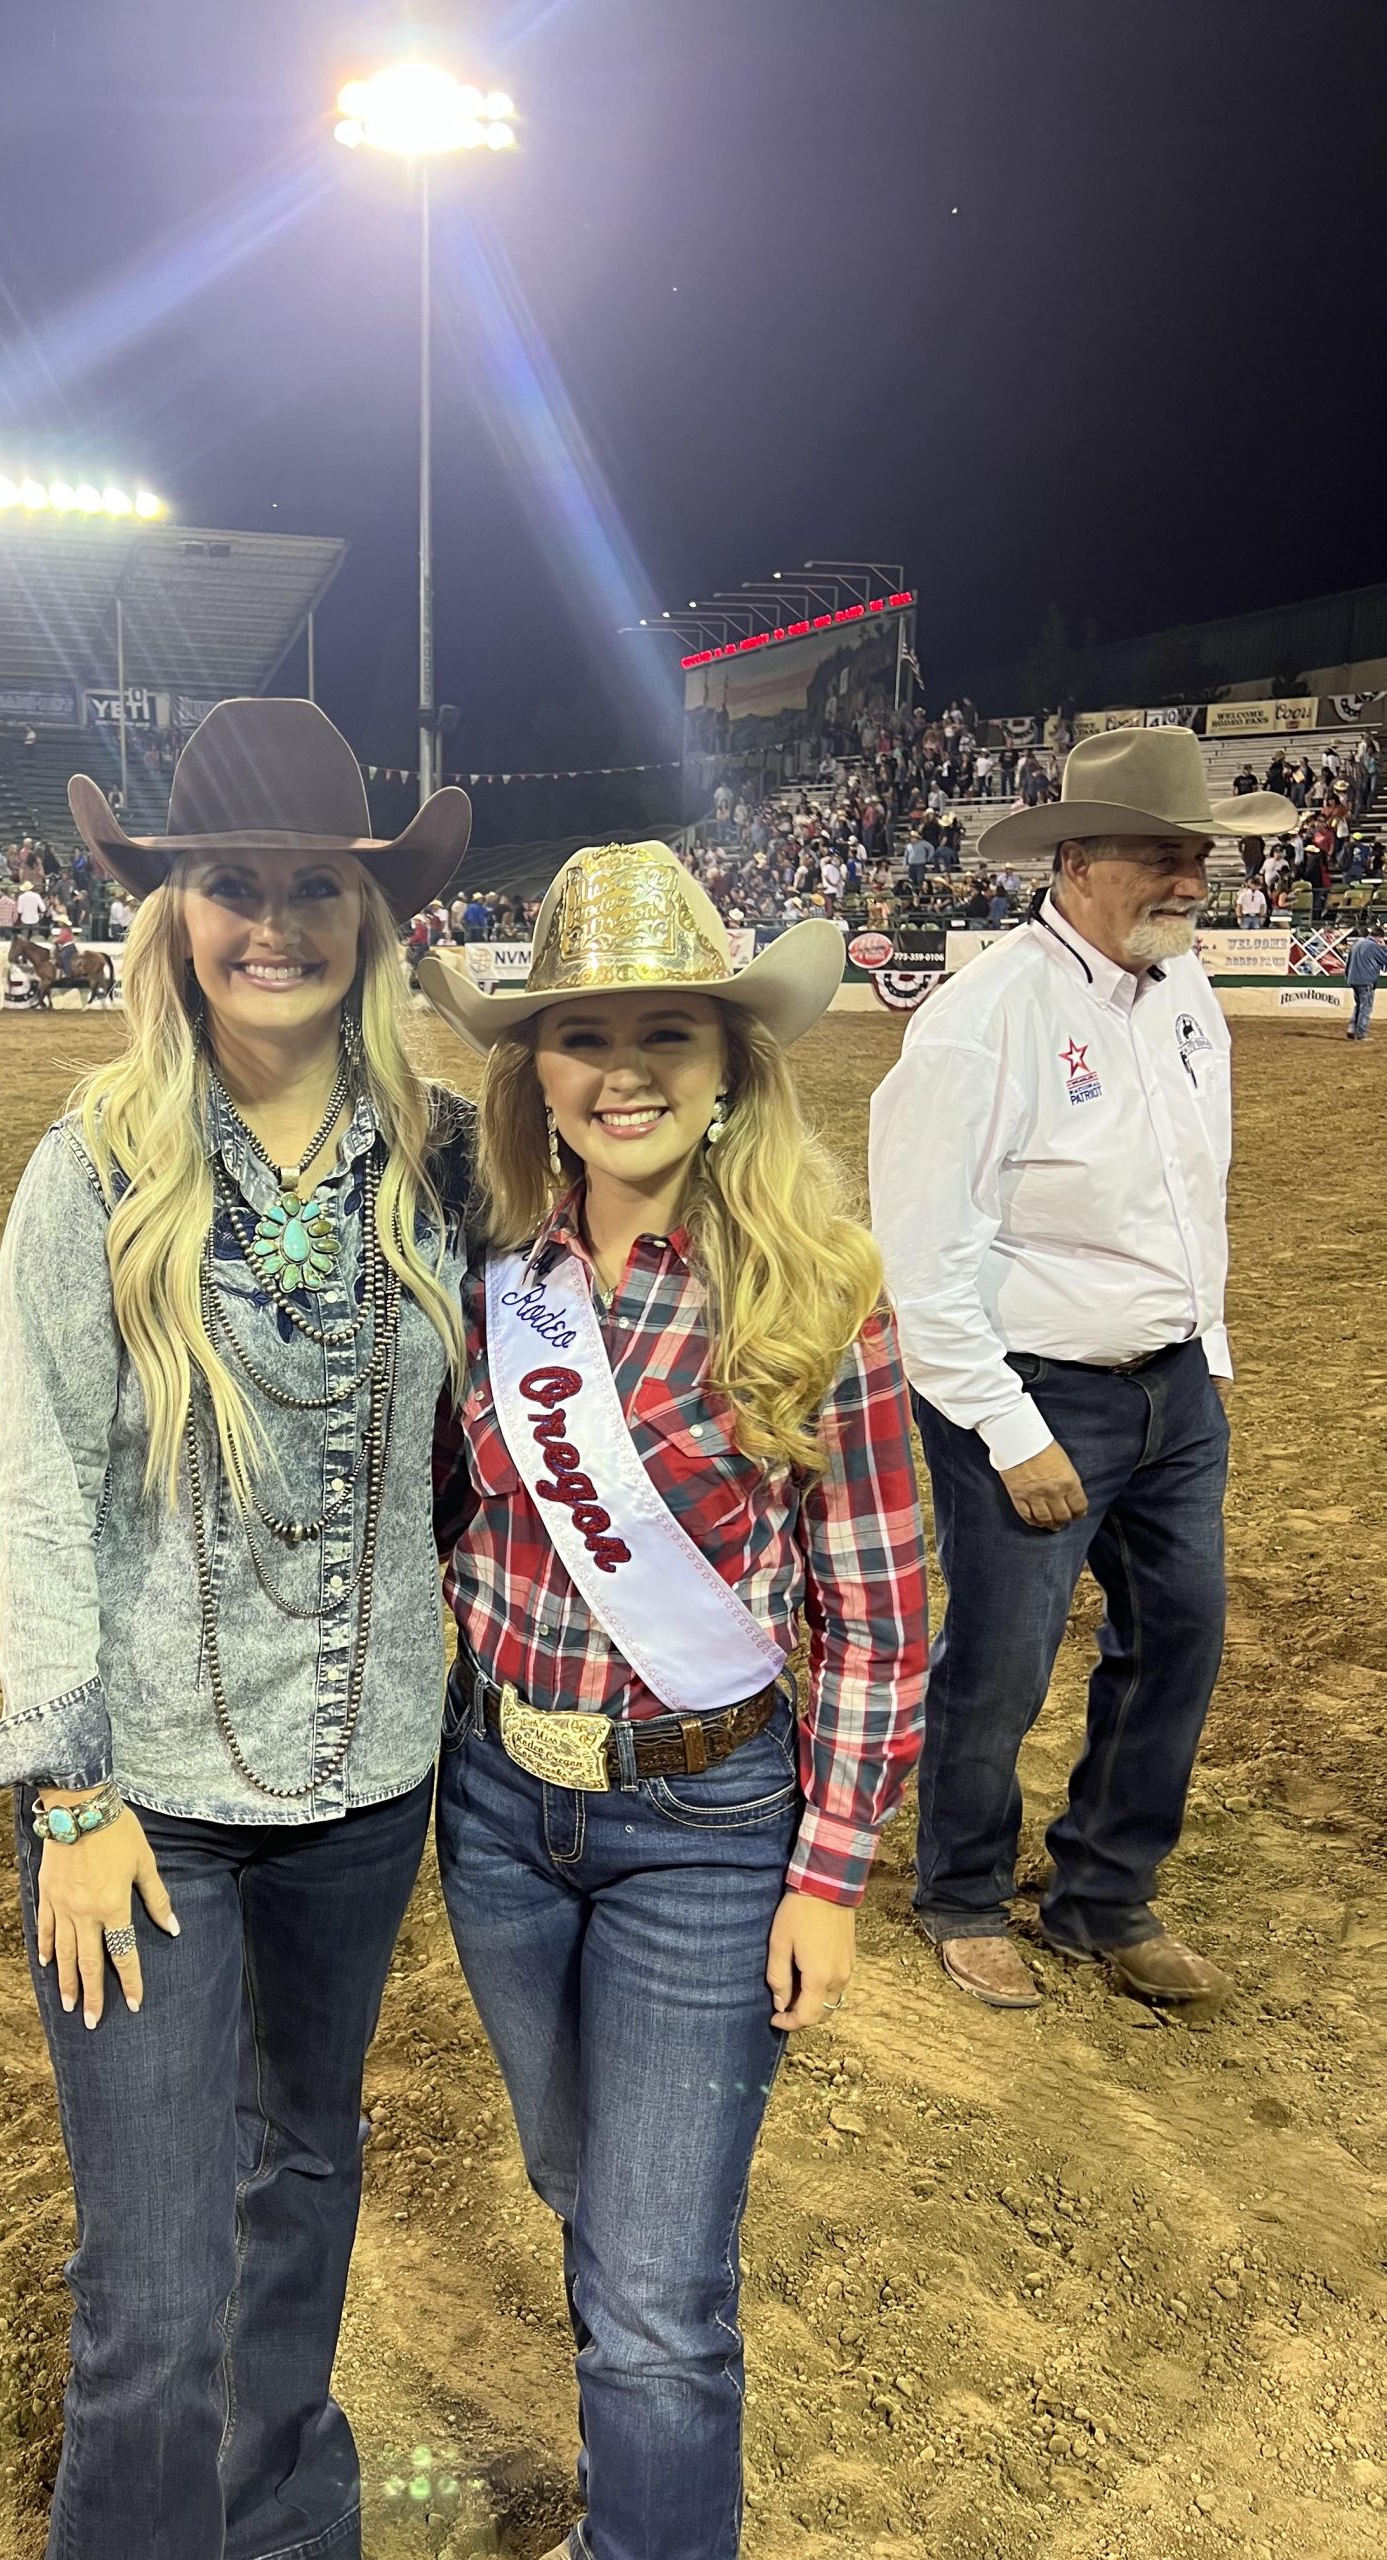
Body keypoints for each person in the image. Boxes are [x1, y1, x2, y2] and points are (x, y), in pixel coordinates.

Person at [0, 699, 474, 2560]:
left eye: (316, 885)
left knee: (308, 2176)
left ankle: (281, 2524)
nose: (275, 922)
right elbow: (42, 1491)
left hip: (367, 1784)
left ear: (369, 914)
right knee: (155, 2288)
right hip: (147, 1806)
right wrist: (71, 1802)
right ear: (170, 915)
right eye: (231, 885)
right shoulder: (94, 1168)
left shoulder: (448, 1161)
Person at [416, 843, 927, 2560]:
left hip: (707, 1827)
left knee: (653, 2283)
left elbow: (880, 1610)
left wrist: (829, 1874)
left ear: (727, 1067)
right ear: (535, 1072)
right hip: (497, 1807)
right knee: (586, 2193)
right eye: (582, 1035)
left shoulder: (818, 1284)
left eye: (667, 1035)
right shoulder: (496, 1268)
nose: (621, 1071)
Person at [869, 728, 1297, 2012]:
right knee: (1002, 1660)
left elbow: (1194, 1186)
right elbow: (923, 1261)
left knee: (1180, 1636)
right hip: (1033, 1387)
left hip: (1172, 1387)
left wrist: (1203, 1343)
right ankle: (960, 1890)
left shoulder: (1183, 987)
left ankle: (1104, 1894)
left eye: (1196, 854)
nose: (1189, 878)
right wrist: (1012, 1433)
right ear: (1073, 861)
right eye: (1159, 854)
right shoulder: (980, 1021)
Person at [1344, 924, 1387, 1041]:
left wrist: (1347, 977)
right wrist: (1384, 947)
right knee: (1366, 1007)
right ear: (1380, 938)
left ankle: (1352, 1028)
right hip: (1366, 980)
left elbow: (1348, 962)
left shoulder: (1357, 944)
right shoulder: (1375, 946)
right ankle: (1361, 1033)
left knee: (1359, 1005)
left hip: (1353, 980)